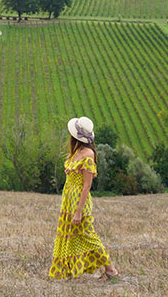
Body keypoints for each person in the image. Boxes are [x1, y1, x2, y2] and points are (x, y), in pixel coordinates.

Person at [48, 116, 120, 281]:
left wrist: (78, 211)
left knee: (88, 235)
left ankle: (111, 270)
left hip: (79, 202)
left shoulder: (87, 155)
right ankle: (67, 270)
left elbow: (87, 186)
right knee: (70, 235)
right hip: (69, 201)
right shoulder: (77, 152)